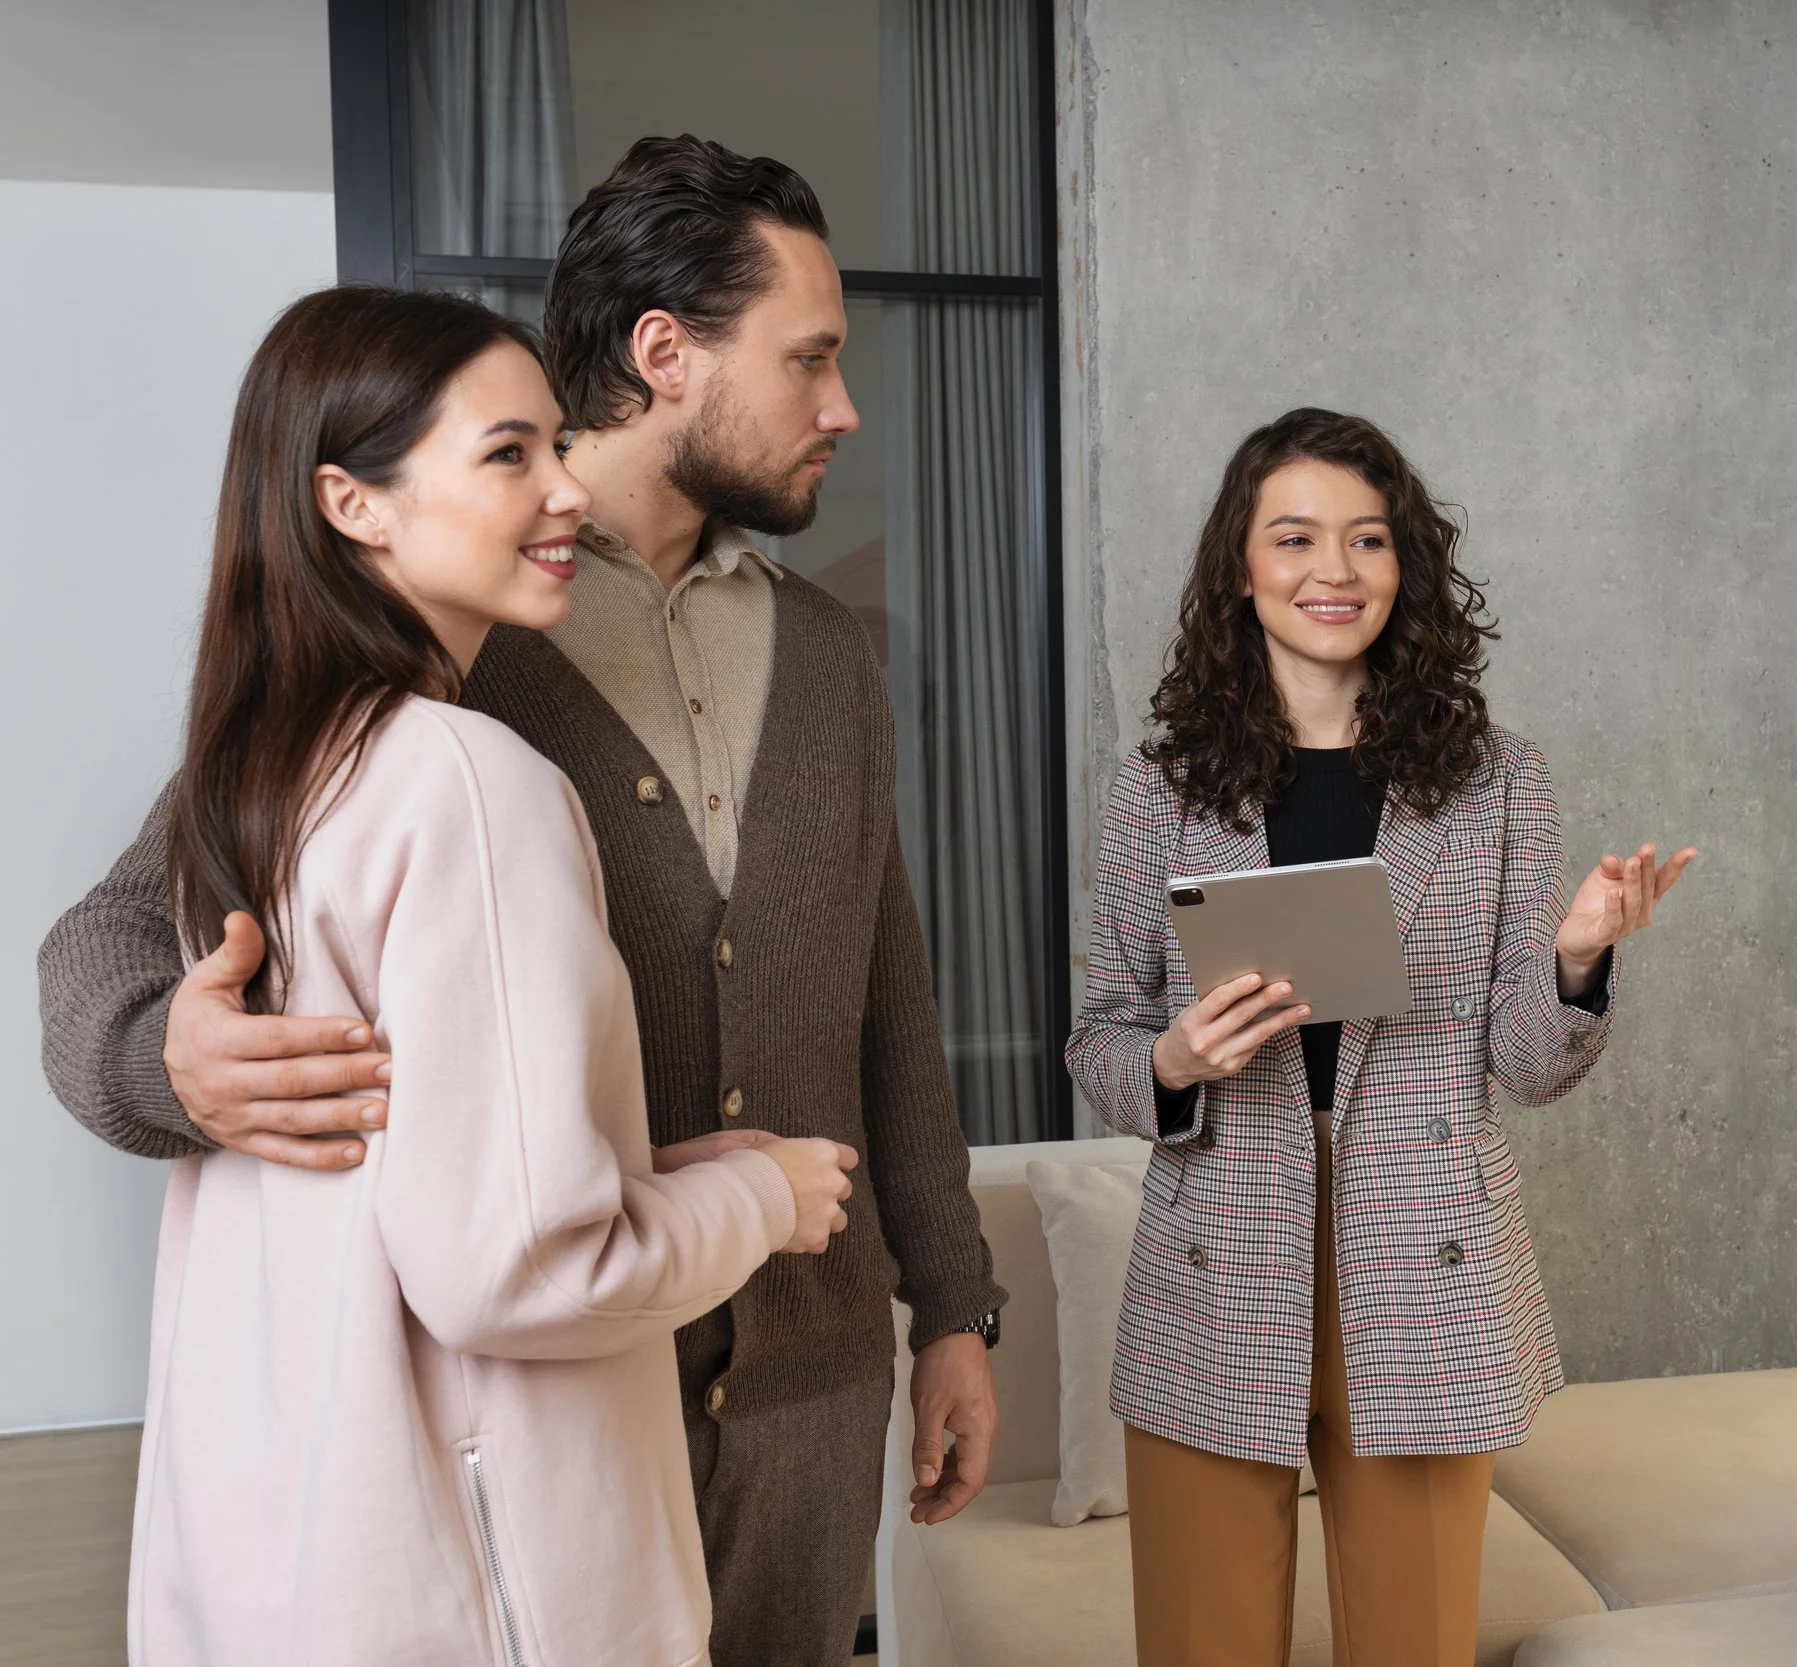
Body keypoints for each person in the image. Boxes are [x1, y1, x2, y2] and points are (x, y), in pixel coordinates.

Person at [40, 138, 1004, 1667]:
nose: (843, 408)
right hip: (552, 1404)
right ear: (667, 353)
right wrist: (164, 1055)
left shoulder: (830, 651)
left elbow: (891, 998)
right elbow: (121, 918)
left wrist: (954, 1304)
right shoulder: (452, 622)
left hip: (810, 1378)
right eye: (810, 358)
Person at [125, 284, 857, 1665]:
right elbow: (523, 1269)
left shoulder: (260, 782)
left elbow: (413, 1181)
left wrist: (643, 1171)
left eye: (554, 446)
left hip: (291, 1548)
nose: (560, 488)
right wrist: (763, 1194)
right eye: (506, 453)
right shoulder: (466, 780)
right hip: (486, 1585)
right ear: (355, 503)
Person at [1067, 408, 1697, 1667]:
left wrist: (1574, 958)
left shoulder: (1497, 780)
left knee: (1410, 1645)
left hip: (1427, 1262)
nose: (1332, 571)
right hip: (1215, 1261)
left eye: (1366, 540)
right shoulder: (1160, 786)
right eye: (1293, 537)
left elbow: (1522, 1062)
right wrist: (1173, 1059)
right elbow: (1097, 1033)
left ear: (1404, 566)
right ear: (1239, 568)